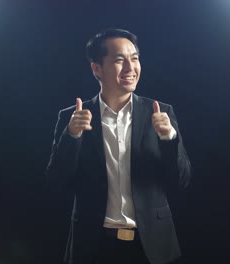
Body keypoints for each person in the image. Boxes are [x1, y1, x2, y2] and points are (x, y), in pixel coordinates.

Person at [45, 28, 191, 264]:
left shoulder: (161, 113)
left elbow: (182, 180)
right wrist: (72, 135)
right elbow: (56, 181)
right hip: (93, 245)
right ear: (96, 68)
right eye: (119, 60)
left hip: (152, 246)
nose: (130, 68)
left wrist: (169, 137)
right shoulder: (72, 118)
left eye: (134, 59)